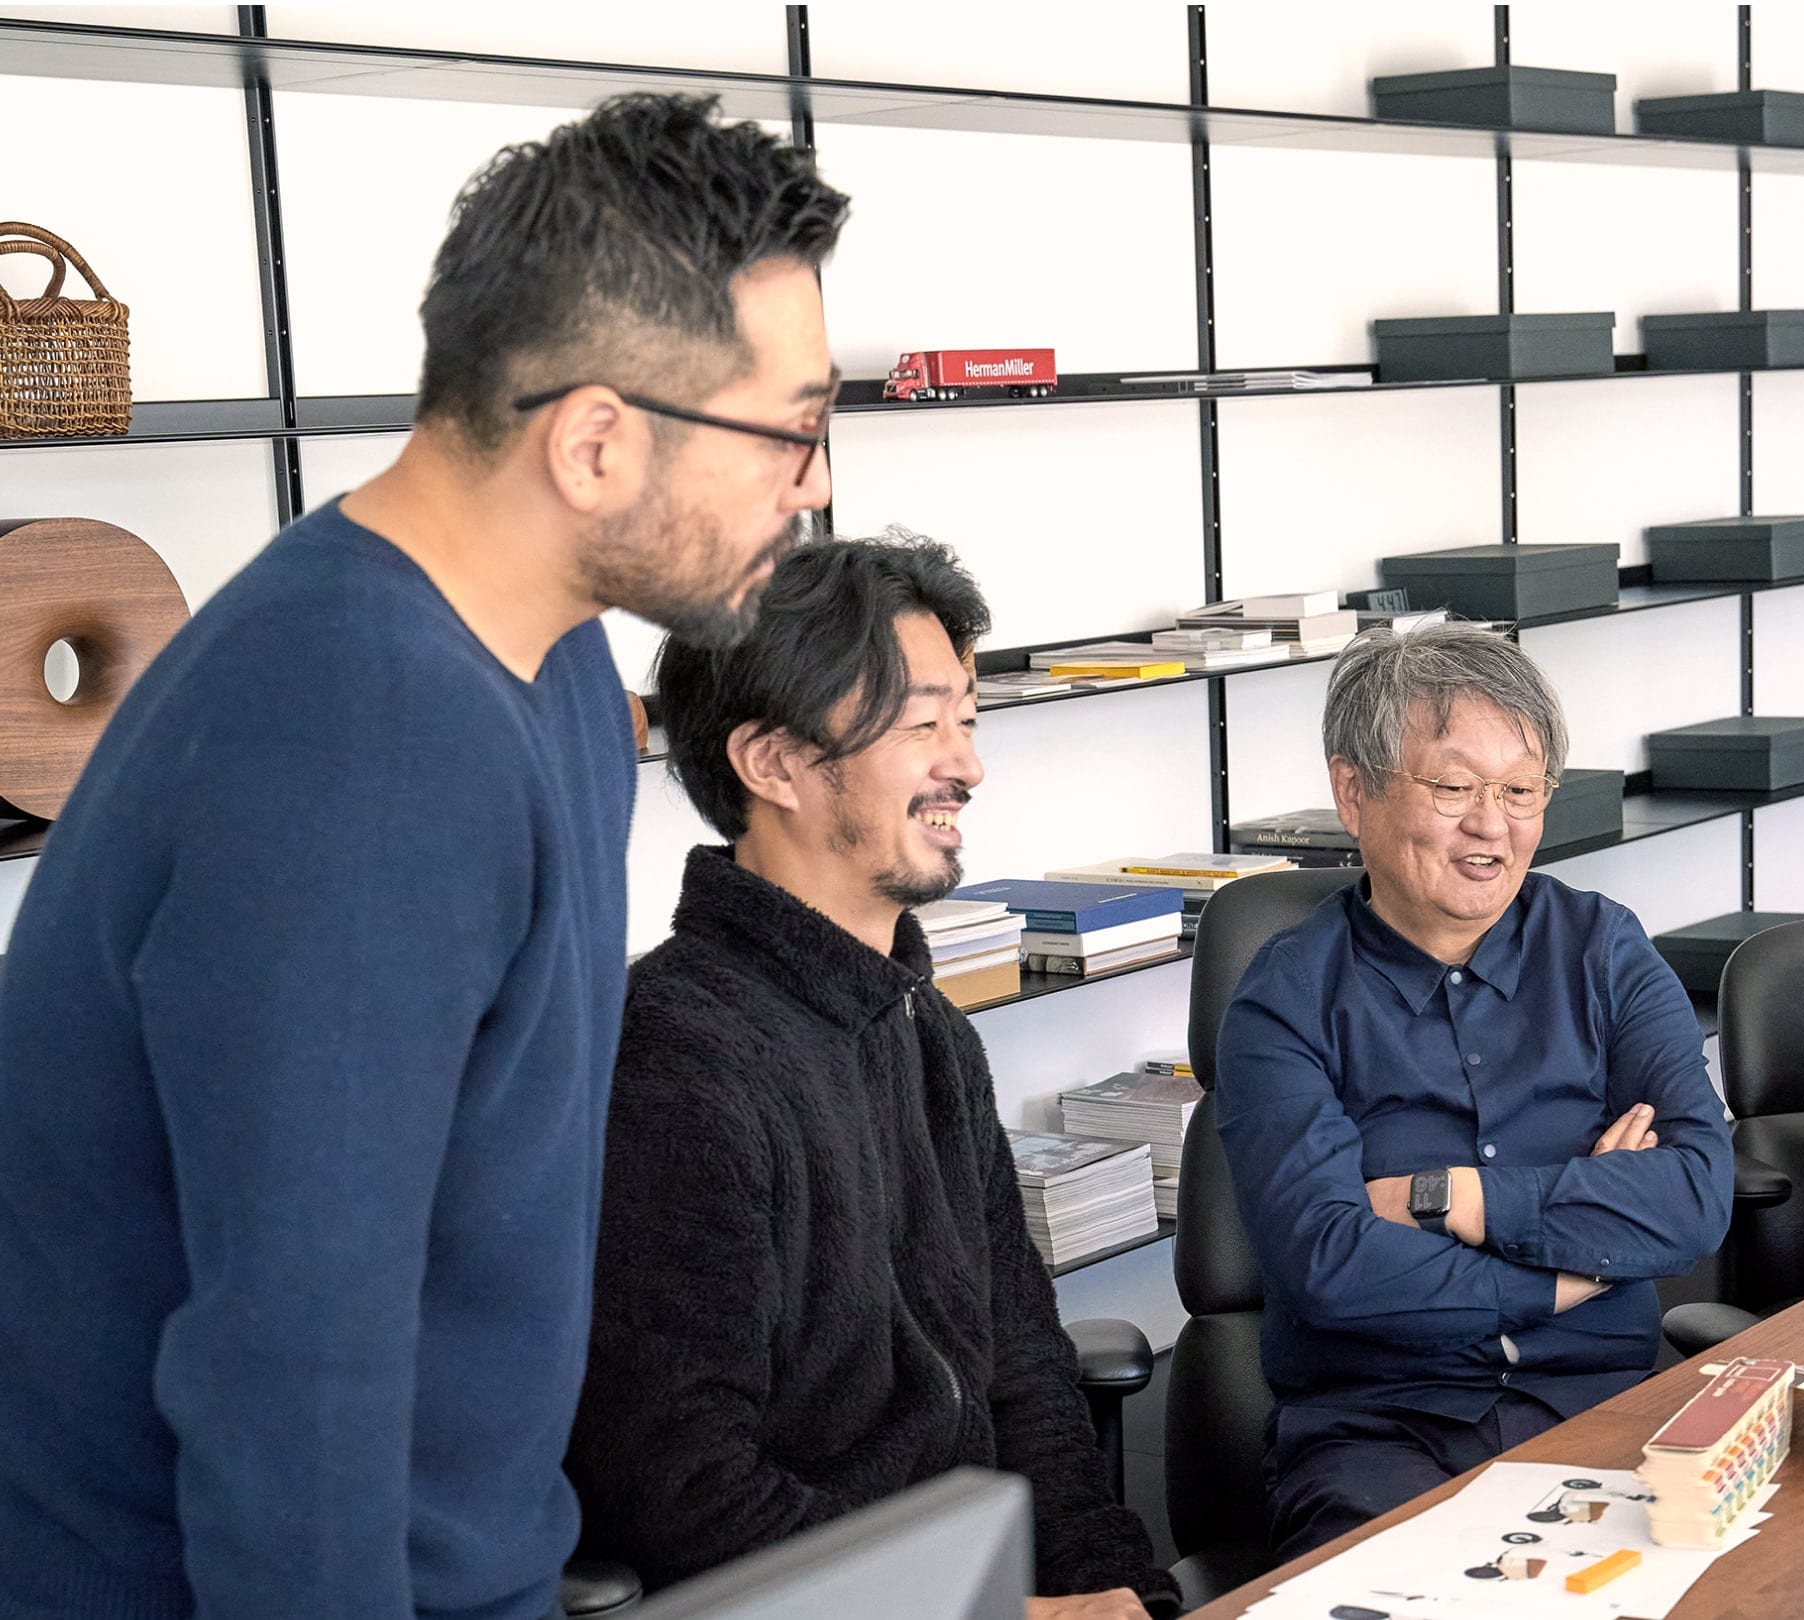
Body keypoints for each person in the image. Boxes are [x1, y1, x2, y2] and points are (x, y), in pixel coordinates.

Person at [0, 94, 846, 1620]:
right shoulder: (354, 734)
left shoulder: (562, 669)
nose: (816, 483)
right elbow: (288, 1380)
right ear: (594, 442)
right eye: (793, 428)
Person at [566, 534, 1174, 1619]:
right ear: (773, 763)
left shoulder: (930, 1032)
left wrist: (1118, 1590)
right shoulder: (668, 1065)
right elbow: (681, 1495)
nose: (969, 766)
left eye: (969, 722)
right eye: (923, 724)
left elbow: (1025, 1374)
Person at [1214, 624, 1732, 1561]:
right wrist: (1574, 1268)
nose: (1492, 824)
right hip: (1380, 1428)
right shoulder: (1283, 996)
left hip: (1608, 1407)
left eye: (1521, 790)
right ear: (1353, 792)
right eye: (1453, 787)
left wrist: (1449, 1199)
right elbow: (1328, 1264)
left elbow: (1696, 1195)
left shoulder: (1603, 949)